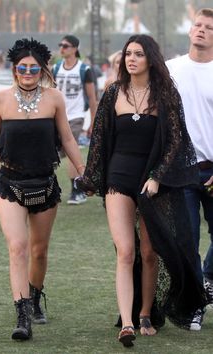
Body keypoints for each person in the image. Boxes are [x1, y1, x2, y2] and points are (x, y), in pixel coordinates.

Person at [76, 34, 206, 347]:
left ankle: (147, 313)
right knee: (125, 251)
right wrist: (92, 178)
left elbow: (176, 142)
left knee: (150, 253)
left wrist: (158, 176)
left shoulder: (165, 95)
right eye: (128, 54)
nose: (131, 59)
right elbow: (101, 140)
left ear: (150, 59)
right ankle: (128, 322)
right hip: (118, 178)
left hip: (151, 182)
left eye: (138, 54)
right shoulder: (113, 93)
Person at [0, 38, 86, 341]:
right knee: (17, 247)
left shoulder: (54, 98)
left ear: (42, 69)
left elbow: (68, 139)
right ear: (14, 69)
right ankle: (23, 315)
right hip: (10, 182)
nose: (28, 72)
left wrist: (83, 173)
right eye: (22, 67)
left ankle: (35, 296)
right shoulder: (0, 99)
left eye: (33, 68)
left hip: (44, 182)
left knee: (38, 251)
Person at [166, 7, 213, 330]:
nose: (201, 30)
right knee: (186, 241)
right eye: (198, 25)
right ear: (189, 30)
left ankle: (208, 278)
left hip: (212, 168)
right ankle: (194, 304)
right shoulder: (169, 70)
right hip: (179, 170)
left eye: (209, 27)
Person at [52, 34, 97, 205]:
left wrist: (92, 121)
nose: (62, 48)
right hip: (58, 116)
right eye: (61, 45)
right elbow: (52, 91)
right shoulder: (56, 68)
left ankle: (76, 191)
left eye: (66, 46)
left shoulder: (84, 69)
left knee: (72, 152)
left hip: (76, 116)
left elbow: (92, 98)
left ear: (75, 49)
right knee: (56, 153)